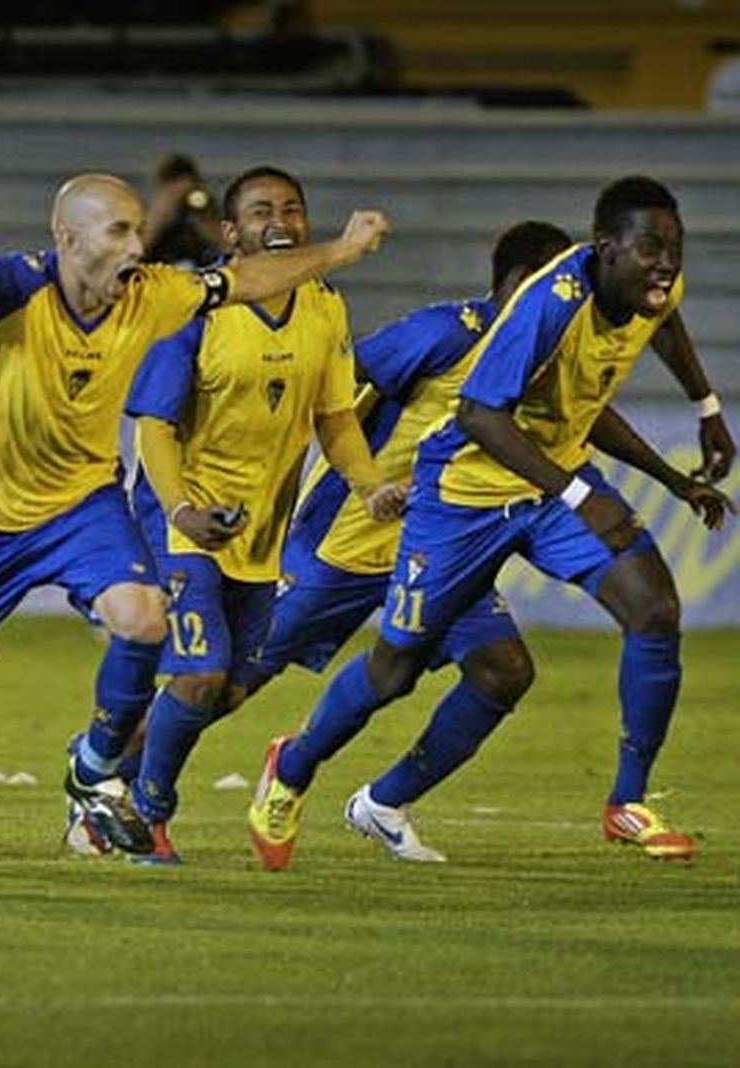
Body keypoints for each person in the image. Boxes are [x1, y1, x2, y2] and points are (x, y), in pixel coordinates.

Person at [0, 162, 391, 902]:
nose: (135, 245)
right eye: (118, 231)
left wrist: (343, 252)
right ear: (67, 238)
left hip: (83, 505)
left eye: (134, 229)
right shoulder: (15, 290)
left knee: (144, 617)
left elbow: (245, 281)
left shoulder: (155, 295)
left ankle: (95, 771)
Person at [273, 176, 733, 866]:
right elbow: (478, 414)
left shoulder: (652, 288)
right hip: (465, 492)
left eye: (674, 246)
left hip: (549, 485)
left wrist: (705, 408)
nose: (666, 262)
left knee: (654, 608)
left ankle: (626, 802)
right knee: (395, 669)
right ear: (605, 247)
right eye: (650, 248)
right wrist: (582, 496)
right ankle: (293, 765)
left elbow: (662, 322)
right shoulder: (552, 304)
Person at [229, 221, 575, 869]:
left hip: (444, 544)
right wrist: (350, 478)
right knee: (228, 680)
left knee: (503, 671)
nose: (573, 299)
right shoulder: (447, 333)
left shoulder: (550, 359)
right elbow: (334, 382)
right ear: (521, 284)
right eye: (563, 285)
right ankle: (116, 778)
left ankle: (380, 802)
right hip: (350, 535)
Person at [110, 166, 407, 865]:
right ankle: (147, 816)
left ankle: (101, 774)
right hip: (180, 518)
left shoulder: (325, 308)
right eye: (262, 210)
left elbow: (335, 418)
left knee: (233, 687)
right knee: (201, 672)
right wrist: (182, 509)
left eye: (293, 209)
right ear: (230, 232)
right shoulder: (196, 309)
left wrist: (369, 486)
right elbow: (152, 426)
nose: (281, 221)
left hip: (260, 531)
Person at [142, 152, 224, 268]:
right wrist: (162, 214)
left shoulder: (208, 211)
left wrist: (204, 217)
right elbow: (137, 251)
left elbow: (228, 248)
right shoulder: (150, 217)